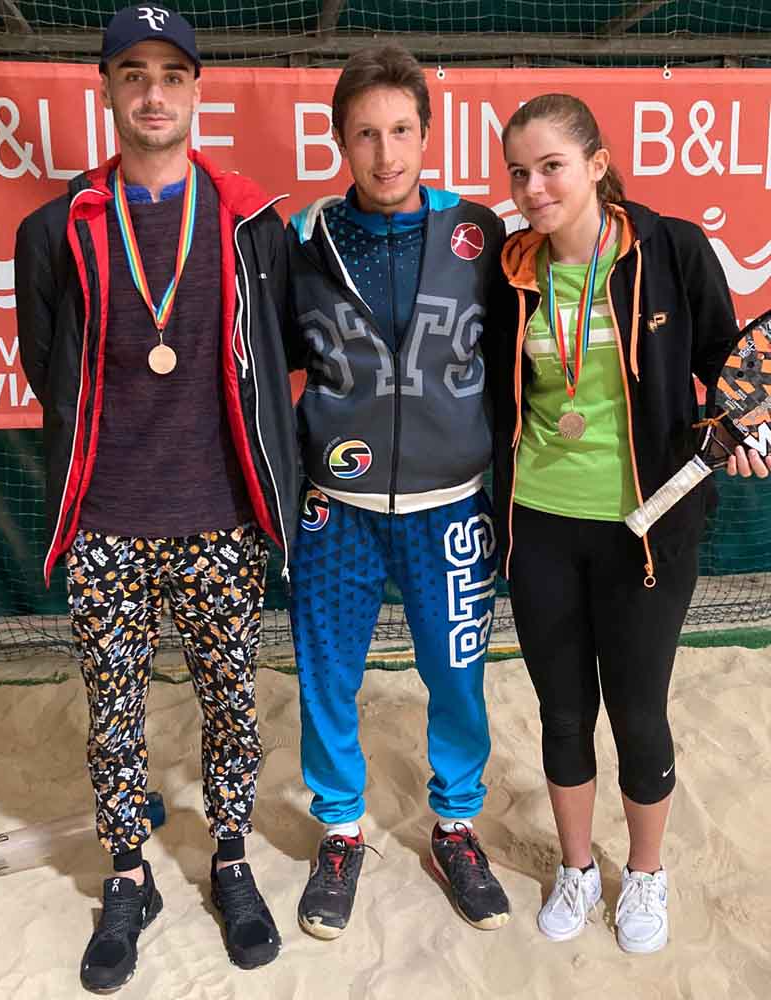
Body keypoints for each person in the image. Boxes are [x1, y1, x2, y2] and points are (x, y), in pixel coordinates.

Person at [14, 5, 298, 990]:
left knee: (231, 703)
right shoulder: (56, 228)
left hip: (221, 518)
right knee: (112, 711)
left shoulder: (249, 222)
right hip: (106, 521)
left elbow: (277, 354)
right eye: (131, 72)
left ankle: (231, 860)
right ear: (106, 88)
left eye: (170, 74)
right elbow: (44, 362)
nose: (152, 92)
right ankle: (128, 875)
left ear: (195, 89)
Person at [494, 92, 771, 954]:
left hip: (649, 531)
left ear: (597, 164)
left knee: (638, 710)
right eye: (519, 173)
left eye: (552, 167)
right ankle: (578, 867)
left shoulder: (672, 248)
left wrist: (749, 432)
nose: (534, 189)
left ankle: (646, 873)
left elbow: (731, 371)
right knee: (562, 711)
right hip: (540, 524)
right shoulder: (508, 271)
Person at [284, 43, 511, 940]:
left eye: (402, 131)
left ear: (427, 133)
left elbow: (518, 355)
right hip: (335, 507)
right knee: (326, 671)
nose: (387, 154)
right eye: (367, 134)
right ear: (340, 139)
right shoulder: (304, 241)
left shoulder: (479, 235)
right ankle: (341, 831)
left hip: (450, 502)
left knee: (456, 674)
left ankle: (454, 826)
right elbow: (265, 362)